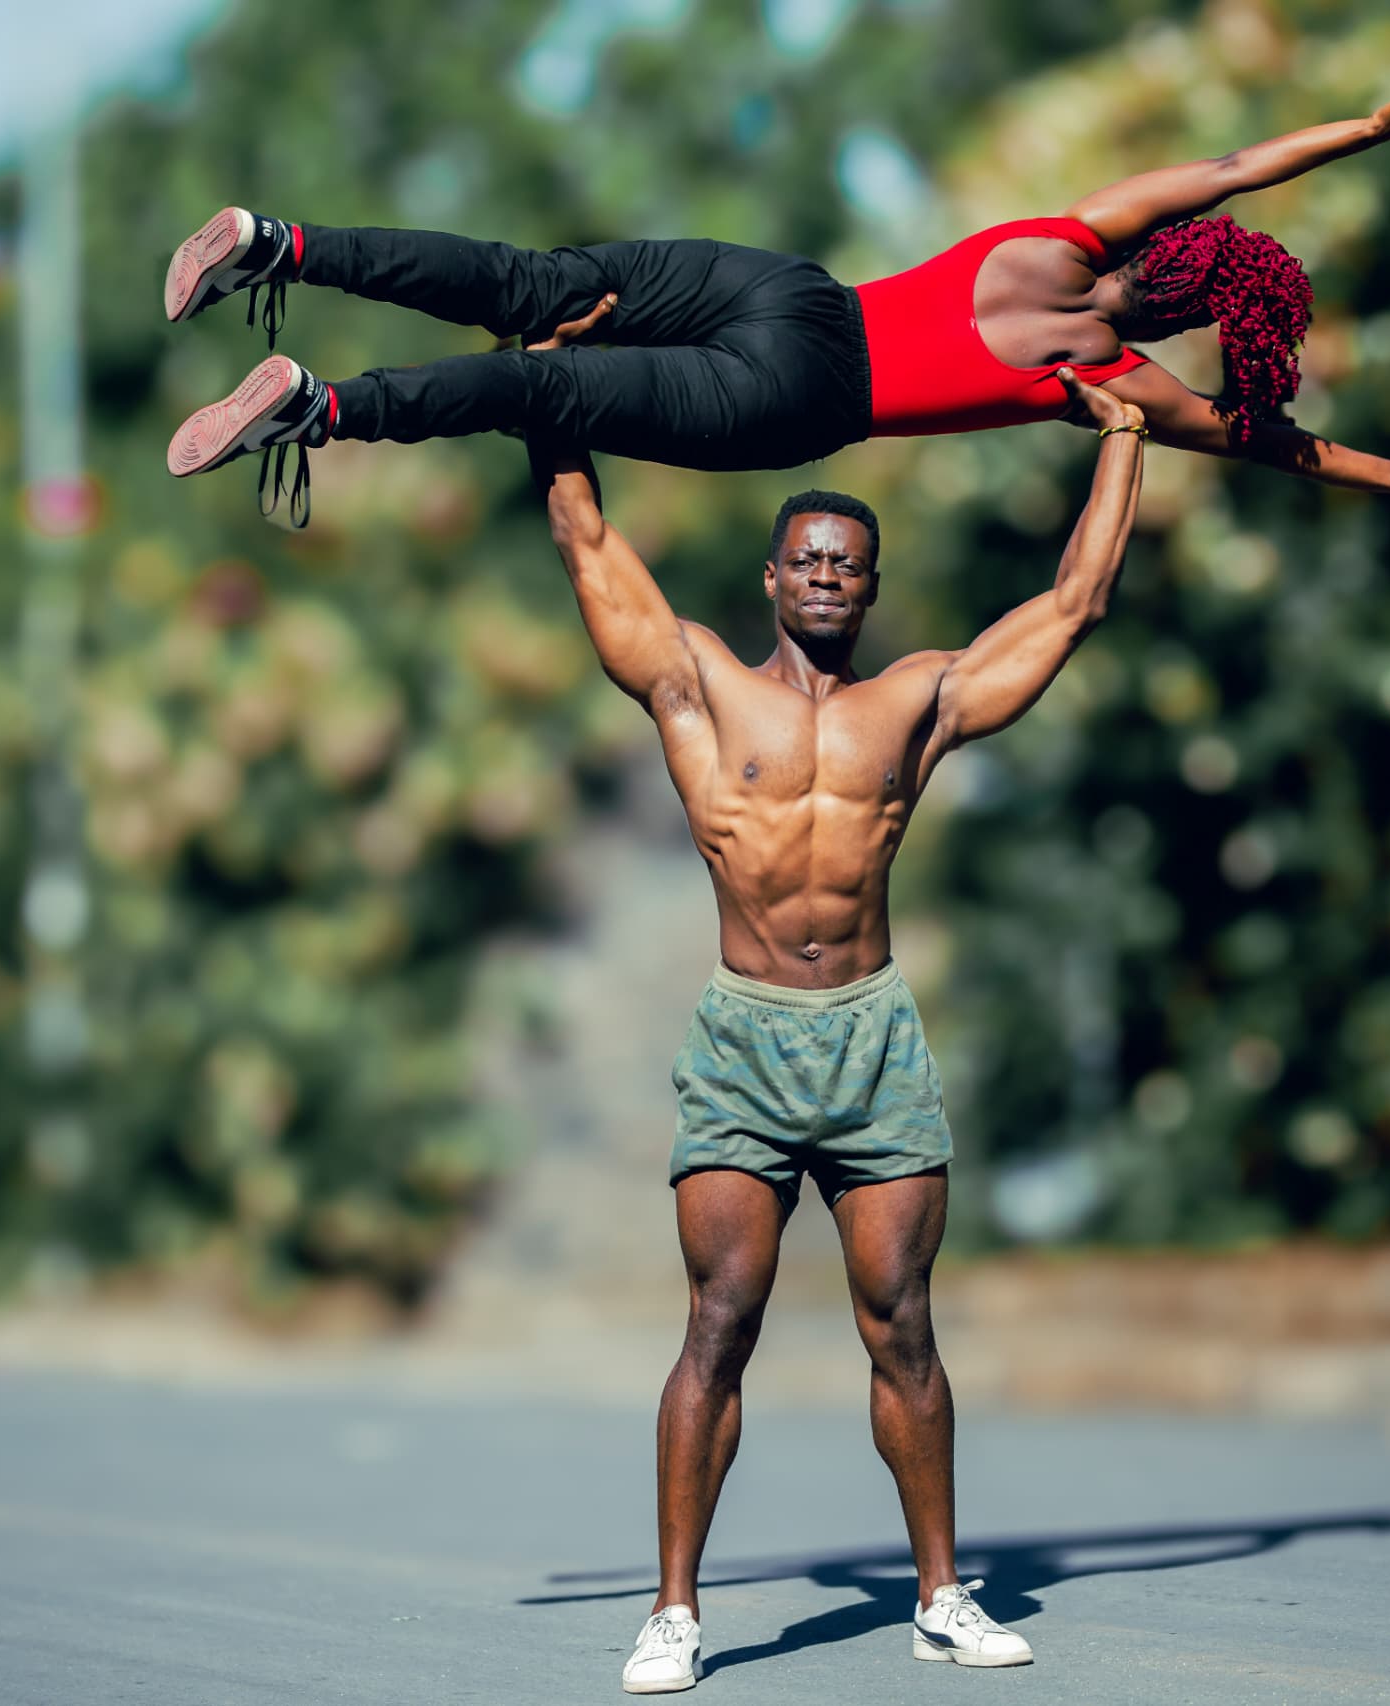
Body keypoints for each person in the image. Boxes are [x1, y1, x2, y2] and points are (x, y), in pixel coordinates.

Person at [522, 346, 1145, 1691]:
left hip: (871, 1037)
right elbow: (586, 542)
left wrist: (1125, 439)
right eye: (804, 559)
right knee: (720, 1321)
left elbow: (1076, 602)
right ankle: (674, 1611)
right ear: (770, 576)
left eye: (846, 565)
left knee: (902, 1321)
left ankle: (940, 1594)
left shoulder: (916, 701)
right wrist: (548, 393)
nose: (823, 576)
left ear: (868, 585)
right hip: (745, 1037)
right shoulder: (696, 685)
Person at [163, 100, 1390, 525]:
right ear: (1200, 320)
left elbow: (1232, 165)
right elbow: (1267, 442)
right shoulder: (1112, 378)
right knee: (541, 388)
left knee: (534, 287)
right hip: (803, 400)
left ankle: (280, 245)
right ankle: (320, 410)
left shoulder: (1068, 235)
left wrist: (1365, 129)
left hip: (794, 294)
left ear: (1174, 250)